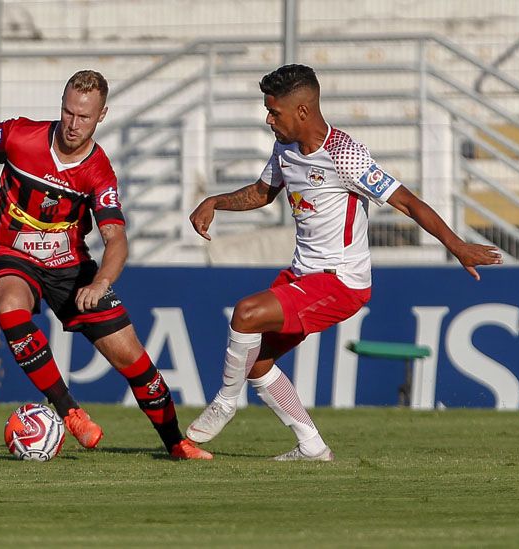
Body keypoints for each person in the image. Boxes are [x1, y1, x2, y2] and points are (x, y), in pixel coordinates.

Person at [186, 64, 502, 461]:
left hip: (341, 282)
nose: (268, 120)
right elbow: (264, 192)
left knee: (246, 313)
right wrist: (215, 201)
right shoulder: (284, 148)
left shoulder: (344, 154)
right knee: (257, 362)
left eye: (274, 112)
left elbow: (406, 201)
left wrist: (456, 245)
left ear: (302, 111)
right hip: (303, 276)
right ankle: (312, 447)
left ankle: (225, 403)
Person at [0, 70, 211, 460]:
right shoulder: (20, 136)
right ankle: (70, 412)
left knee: (133, 359)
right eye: (67, 112)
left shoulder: (99, 173)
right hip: (9, 252)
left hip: (69, 266)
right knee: (9, 304)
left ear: (102, 115)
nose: (72, 124)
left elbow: (117, 240)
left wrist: (100, 283)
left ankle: (176, 443)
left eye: (83, 117)